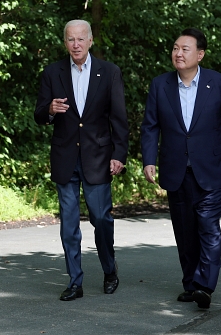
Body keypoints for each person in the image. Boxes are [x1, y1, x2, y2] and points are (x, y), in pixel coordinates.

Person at [140, 28, 221, 309]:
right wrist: (149, 160)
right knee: (185, 231)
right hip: (176, 169)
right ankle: (191, 283)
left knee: (207, 226)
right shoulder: (160, 85)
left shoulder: (218, 82)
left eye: (185, 49)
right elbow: (150, 126)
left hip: (211, 168)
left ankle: (204, 285)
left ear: (200, 54)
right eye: (175, 48)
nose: (178, 53)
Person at [34, 20, 129, 301]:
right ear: (65, 43)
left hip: (98, 157)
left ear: (90, 41)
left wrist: (119, 154)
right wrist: (49, 109)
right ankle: (75, 281)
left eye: (80, 39)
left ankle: (109, 270)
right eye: (70, 40)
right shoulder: (52, 72)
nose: (75, 45)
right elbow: (39, 114)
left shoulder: (109, 72)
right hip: (65, 157)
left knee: (101, 219)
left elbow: (119, 119)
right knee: (69, 224)